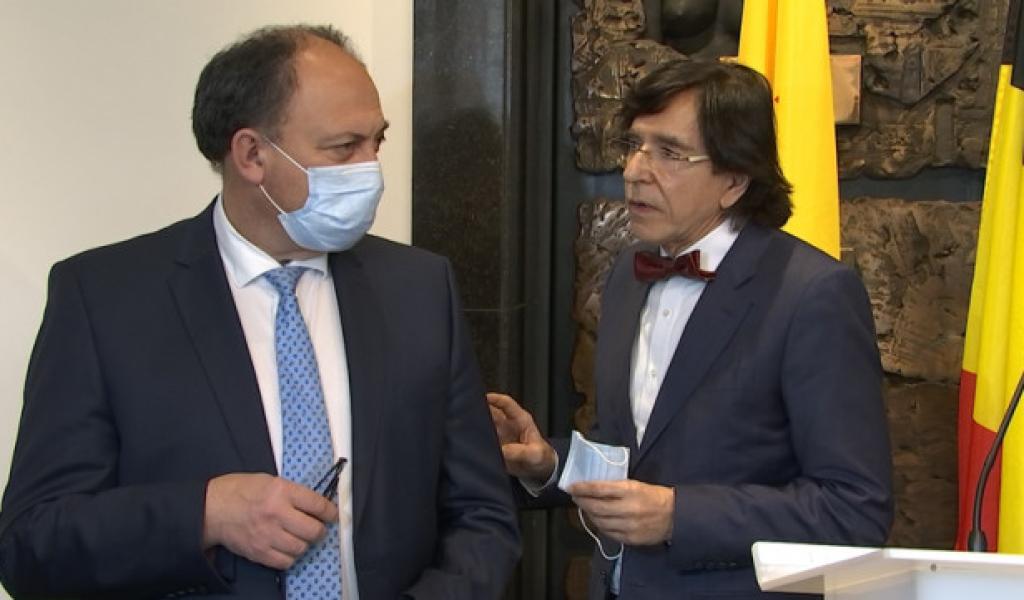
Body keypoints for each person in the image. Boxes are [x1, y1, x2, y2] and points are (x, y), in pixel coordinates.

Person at [0, 24, 519, 600]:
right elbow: (31, 545)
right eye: (344, 147)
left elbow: (482, 516)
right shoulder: (105, 299)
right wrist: (205, 513)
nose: (371, 169)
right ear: (251, 154)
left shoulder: (419, 289)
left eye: (378, 142)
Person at [489, 59, 893, 599]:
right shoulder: (628, 274)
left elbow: (855, 509)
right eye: (634, 145)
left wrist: (680, 517)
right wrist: (552, 465)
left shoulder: (812, 295)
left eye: (669, 152)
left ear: (734, 180)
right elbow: (634, 454)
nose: (635, 169)